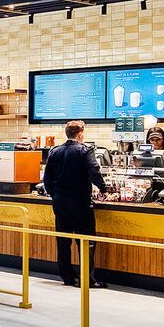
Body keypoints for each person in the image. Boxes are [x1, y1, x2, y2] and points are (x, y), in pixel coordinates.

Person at [42, 120, 106, 288]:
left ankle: (67, 277)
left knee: (63, 241)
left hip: (60, 201)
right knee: (85, 240)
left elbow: (47, 178)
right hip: (80, 202)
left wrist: (54, 194)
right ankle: (87, 279)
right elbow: (94, 171)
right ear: (80, 134)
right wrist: (104, 189)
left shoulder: (54, 151)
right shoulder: (85, 150)